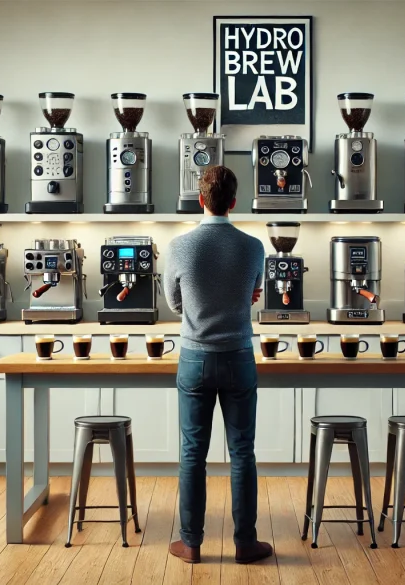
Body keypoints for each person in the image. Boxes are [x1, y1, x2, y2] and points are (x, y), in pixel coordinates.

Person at [163, 166, 273, 565]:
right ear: (233, 202)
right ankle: (245, 544)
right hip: (239, 356)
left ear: (200, 200)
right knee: (243, 452)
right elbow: (251, 294)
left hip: (194, 358)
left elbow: (175, 304)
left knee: (193, 453)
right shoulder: (254, 247)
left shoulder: (179, 246)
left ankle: (191, 544)